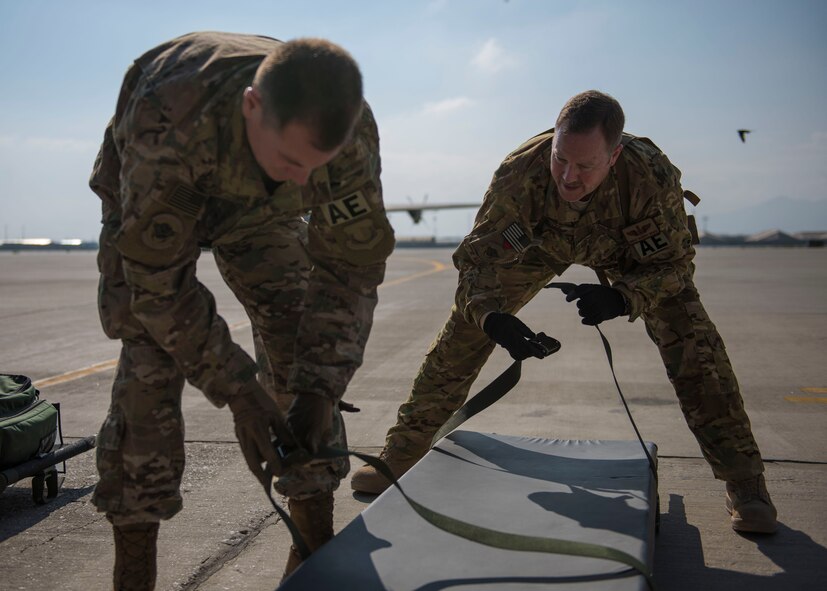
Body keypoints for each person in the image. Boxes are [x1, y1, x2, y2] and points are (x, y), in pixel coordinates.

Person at [351, 90, 777, 535]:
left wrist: (623, 297)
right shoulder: (520, 171)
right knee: (465, 331)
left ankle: (745, 482)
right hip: (539, 245)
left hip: (625, 250)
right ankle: (400, 452)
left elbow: (674, 266)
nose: (568, 177)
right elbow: (478, 263)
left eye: (585, 165)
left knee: (695, 343)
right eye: (560, 159)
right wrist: (492, 318)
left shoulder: (648, 174)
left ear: (614, 156)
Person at [89, 31, 394, 589]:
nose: (305, 179)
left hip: (261, 212)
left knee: (300, 334)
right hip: (158, 200)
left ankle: (314, 551)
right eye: (292, 160)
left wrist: (320, 388)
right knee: (150, 361)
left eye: (314, 166)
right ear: (253, 107)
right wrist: (241, 392)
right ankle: (134, 570)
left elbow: (350, 267)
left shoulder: (347, 134)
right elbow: (158, 287)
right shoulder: (168, 119)